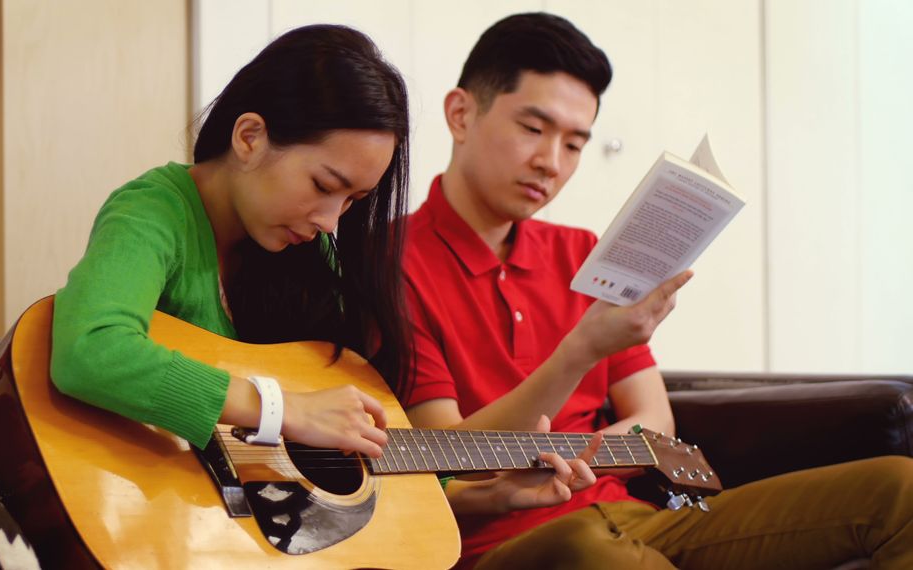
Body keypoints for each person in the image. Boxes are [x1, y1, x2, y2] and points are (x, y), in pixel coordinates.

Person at [402, 12, 913, 569]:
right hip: (509, 545)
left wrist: (580, 459)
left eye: (574, 144)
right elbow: (451, 460)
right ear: (460, 114)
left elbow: (655, 420)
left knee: (898, 489)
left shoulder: (580, 252)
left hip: (633, 518)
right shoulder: (390, 264)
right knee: (592, 552)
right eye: (533, 129)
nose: (551, 162)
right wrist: (581, 352)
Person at [48, 24, 411, 460]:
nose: (330, 221)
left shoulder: (306, 252)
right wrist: (280, 408)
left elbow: (344, 431)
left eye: (353, 199)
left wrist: (458, 491)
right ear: (249, 137)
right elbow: (89, 350)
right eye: (322, 184)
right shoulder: (154, 211)